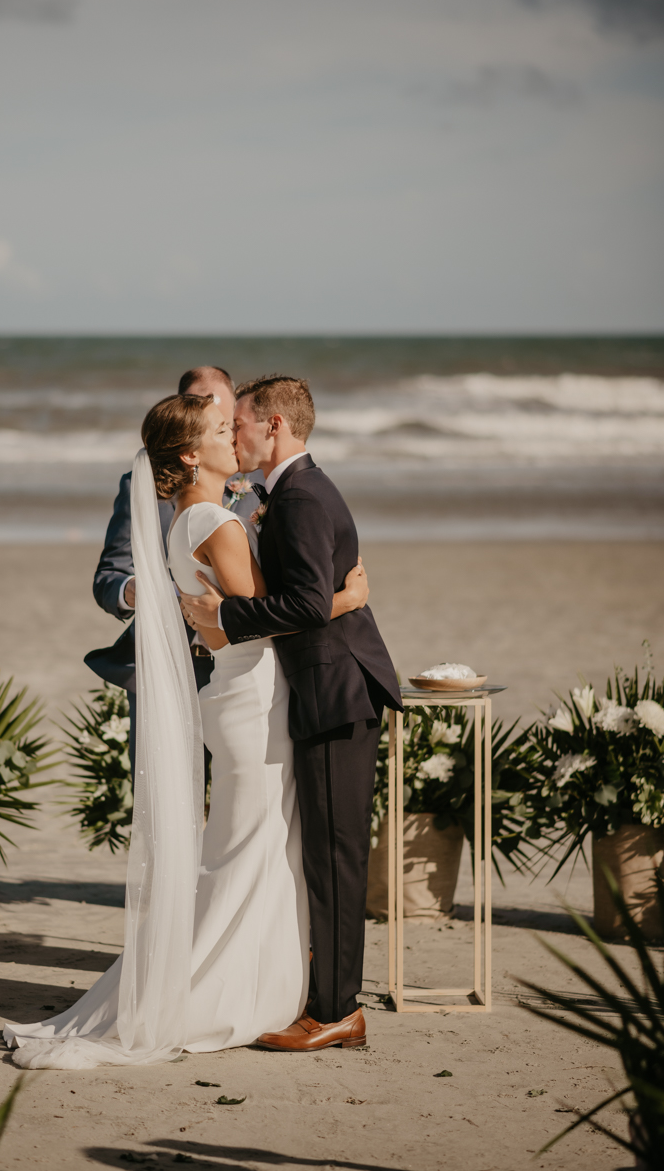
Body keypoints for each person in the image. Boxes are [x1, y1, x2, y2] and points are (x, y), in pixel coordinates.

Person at [3, 393, 368, 1067]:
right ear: (192, 453)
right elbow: (264, 612)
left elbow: (218, 615)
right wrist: (346, 597)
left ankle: (251, 985)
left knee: (245, 849)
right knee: (249, 853)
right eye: (223, 431)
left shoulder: (185, 519)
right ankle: (218, 996)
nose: (236, 438)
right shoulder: (214, 523)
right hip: (254, 695)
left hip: (236, 692)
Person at [180, 376, 403, 1052]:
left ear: (274, 426)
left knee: (335, 857)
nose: (235, 434)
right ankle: (325, 996)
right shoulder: (288, 495)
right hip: (324, 689)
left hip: (337, 692)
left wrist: (226, 617)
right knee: (326, 854)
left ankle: (337, 1010)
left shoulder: (303, 496)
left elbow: (307, 605)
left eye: (240, 424)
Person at [85, 366, 268, 783]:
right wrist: (145, 591)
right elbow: (110, 575)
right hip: (164, 666)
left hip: (235, 667)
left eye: (225, 420)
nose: (224, 432)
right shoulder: (142, 486)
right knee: (167, 799)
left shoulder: (257, 482)